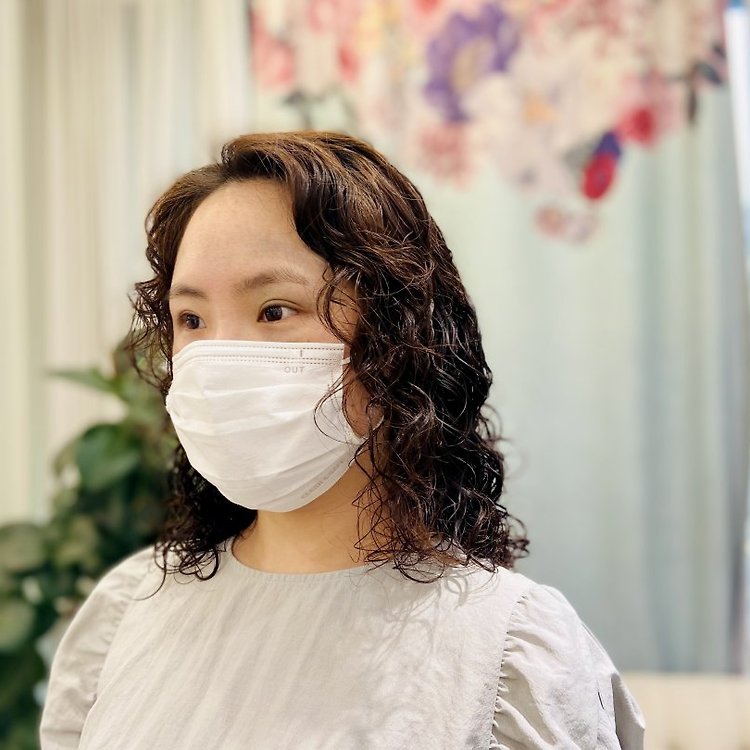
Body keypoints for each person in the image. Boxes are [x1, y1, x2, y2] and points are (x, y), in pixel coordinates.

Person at [39, 131, 645, 749]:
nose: (218, 358)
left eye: (274, 310)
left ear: (396, 337)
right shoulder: (127, 614)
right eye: (191, 319)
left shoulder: (507, 653)